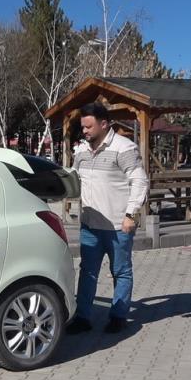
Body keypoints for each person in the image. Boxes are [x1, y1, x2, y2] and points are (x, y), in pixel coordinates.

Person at [68, 103, 149, 334]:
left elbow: (139, 181)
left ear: (104, 124)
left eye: (89, 126)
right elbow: (74, 178)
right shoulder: (81, 150)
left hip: (118, 226)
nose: (84, 131)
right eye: (83, 127)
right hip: (90, 225)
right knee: (87, 271)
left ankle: (118, 316)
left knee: (121, 271)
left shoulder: (124, 147)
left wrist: (131, 215)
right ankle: (83, 317)